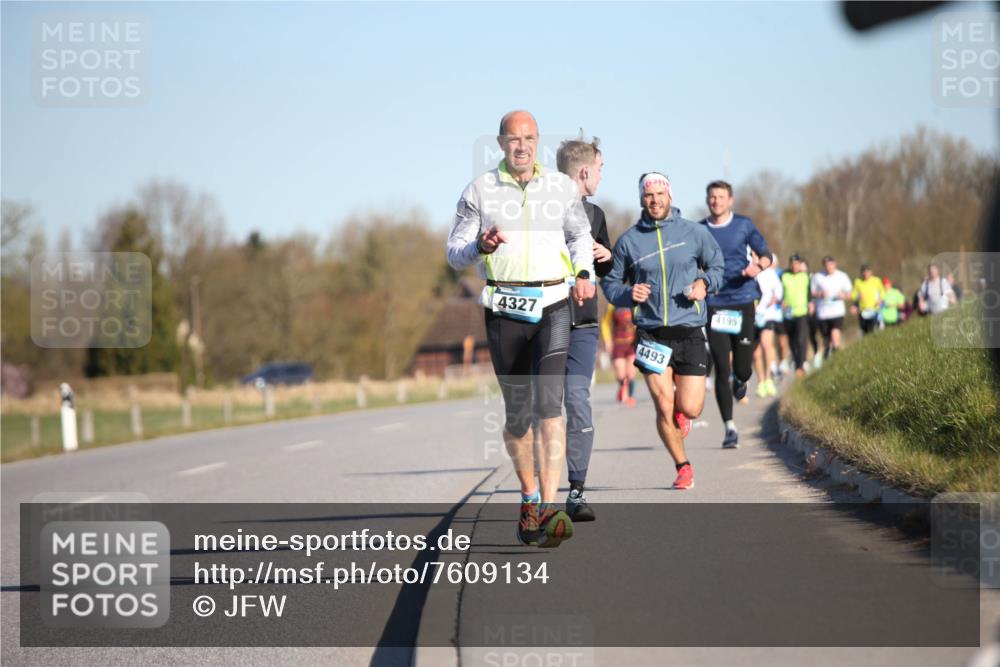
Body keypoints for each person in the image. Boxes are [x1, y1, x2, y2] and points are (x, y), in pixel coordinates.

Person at [447, 110, 594, 548]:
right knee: (518, 417)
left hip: (553, 303)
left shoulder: (561, 188)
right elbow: (454, 253)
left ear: (538, 141)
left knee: (551, 408)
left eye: (529, 138)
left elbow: (579, 236)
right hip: (504, 308)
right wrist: (479, 245)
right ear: (500, 142)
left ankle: (547, 511)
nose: (523, 146)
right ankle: (529, 495)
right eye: (514, 139)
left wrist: (584, 270)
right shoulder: (479, 190)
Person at [600, 172, 724, 489]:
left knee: (690, 407)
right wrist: (629, 295)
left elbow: (717, 267)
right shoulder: (629, 241)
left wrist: (704, 283)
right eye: (648, 196)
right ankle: (683, 467)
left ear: (669, 195)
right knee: (663, 405)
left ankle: (683, 417)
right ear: (642, 199)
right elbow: (610, 284)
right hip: (651, 333)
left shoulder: (694, 233)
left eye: (659, 194)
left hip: (689, 329)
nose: (654, 200)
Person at [553, 134, 613, 522]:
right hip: (548, 319)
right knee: (543, 410)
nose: (602, 177)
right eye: (602, 169)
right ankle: (537, 495)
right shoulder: (542, 212)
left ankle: (576, 490)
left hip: (585, 324)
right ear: (586, 170)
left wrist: (606, 257)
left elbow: (607, 266)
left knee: (577, 402)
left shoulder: (597, 216)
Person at [699, 180, 772, 449]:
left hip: (742, 300)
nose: (716, 201)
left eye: (721, 196)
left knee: (742, 367)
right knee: (721, 365)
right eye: (712, 197)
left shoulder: (744, 225)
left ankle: (742, 380)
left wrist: (758, 266)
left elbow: (766, 254)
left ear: (730, 200)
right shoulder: (700, 229)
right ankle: (729, 427)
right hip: (715, 303)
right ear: (708, 200)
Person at [810, 255, 853, 358]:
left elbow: (850, 293)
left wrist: (843, 295)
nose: (829, 267)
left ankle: (837, 355)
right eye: (826, 265)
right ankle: (828, 356)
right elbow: (812, 292)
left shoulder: (842, 276)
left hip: (837, 311)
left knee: (835, 335)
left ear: (835, 264)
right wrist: (820, 294)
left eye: (831, 264)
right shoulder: (817, 277)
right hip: (823, 312)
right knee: (826, 339)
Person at [753, 254, 783, 398]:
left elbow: (779, 291)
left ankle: (768, 379)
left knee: (766, 345)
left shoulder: (770, 274)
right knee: (755, 352)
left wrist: (775, 298)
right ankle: (760, 382)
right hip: (753, 316)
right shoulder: (750, 272)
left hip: (767, 315)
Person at [781, 253, 811, 377]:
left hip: (801, 311)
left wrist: (811, 303)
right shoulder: (784, 275)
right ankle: (796, 359)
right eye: (792, 264)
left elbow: (810, 293)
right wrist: (781, 300)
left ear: (800, 265)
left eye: (797, 264)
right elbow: (779, 291)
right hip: (788, 313)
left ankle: (800, 365)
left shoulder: (805, 276)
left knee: (801, 339)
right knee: (792, 340)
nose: (794, 266)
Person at [601, 305, 637, 406]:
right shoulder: (611, 305)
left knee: (630, 373)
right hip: (618, 344)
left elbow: (639, 320)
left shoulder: (633, 303)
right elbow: (605, 323)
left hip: (631, 343)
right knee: (620, 373)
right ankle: (623, 387)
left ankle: (630, 396)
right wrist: (607, 340)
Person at [851, 264, 883, 335]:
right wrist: (857, 297)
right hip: (862, 310)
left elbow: (882, 292)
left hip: (875, 308)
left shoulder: (876, 281)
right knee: (864, 330)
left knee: (873, 328)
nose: (866, 274)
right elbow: (853, 295)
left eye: (867, 272)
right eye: (864, 272)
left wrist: (880, 300)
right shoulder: (858, 282)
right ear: (861, 273)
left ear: (871, 272)